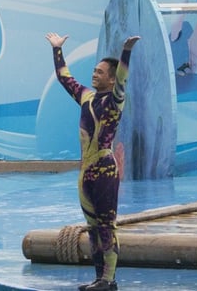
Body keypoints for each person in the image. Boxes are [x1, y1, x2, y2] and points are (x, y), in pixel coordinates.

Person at [45, 32, 140, 291]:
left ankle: (109, 280)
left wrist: (126, 53)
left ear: (111, 77)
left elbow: (123, 80)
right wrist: (57, 50)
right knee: (92, 229)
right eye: (94, 71)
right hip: (85, 172)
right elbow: (65, 78)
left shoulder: (114, 101)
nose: (94, 74)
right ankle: (99, 278)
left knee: (107, 226)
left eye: (100, 72)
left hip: (104, 170)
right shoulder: (86, 97)